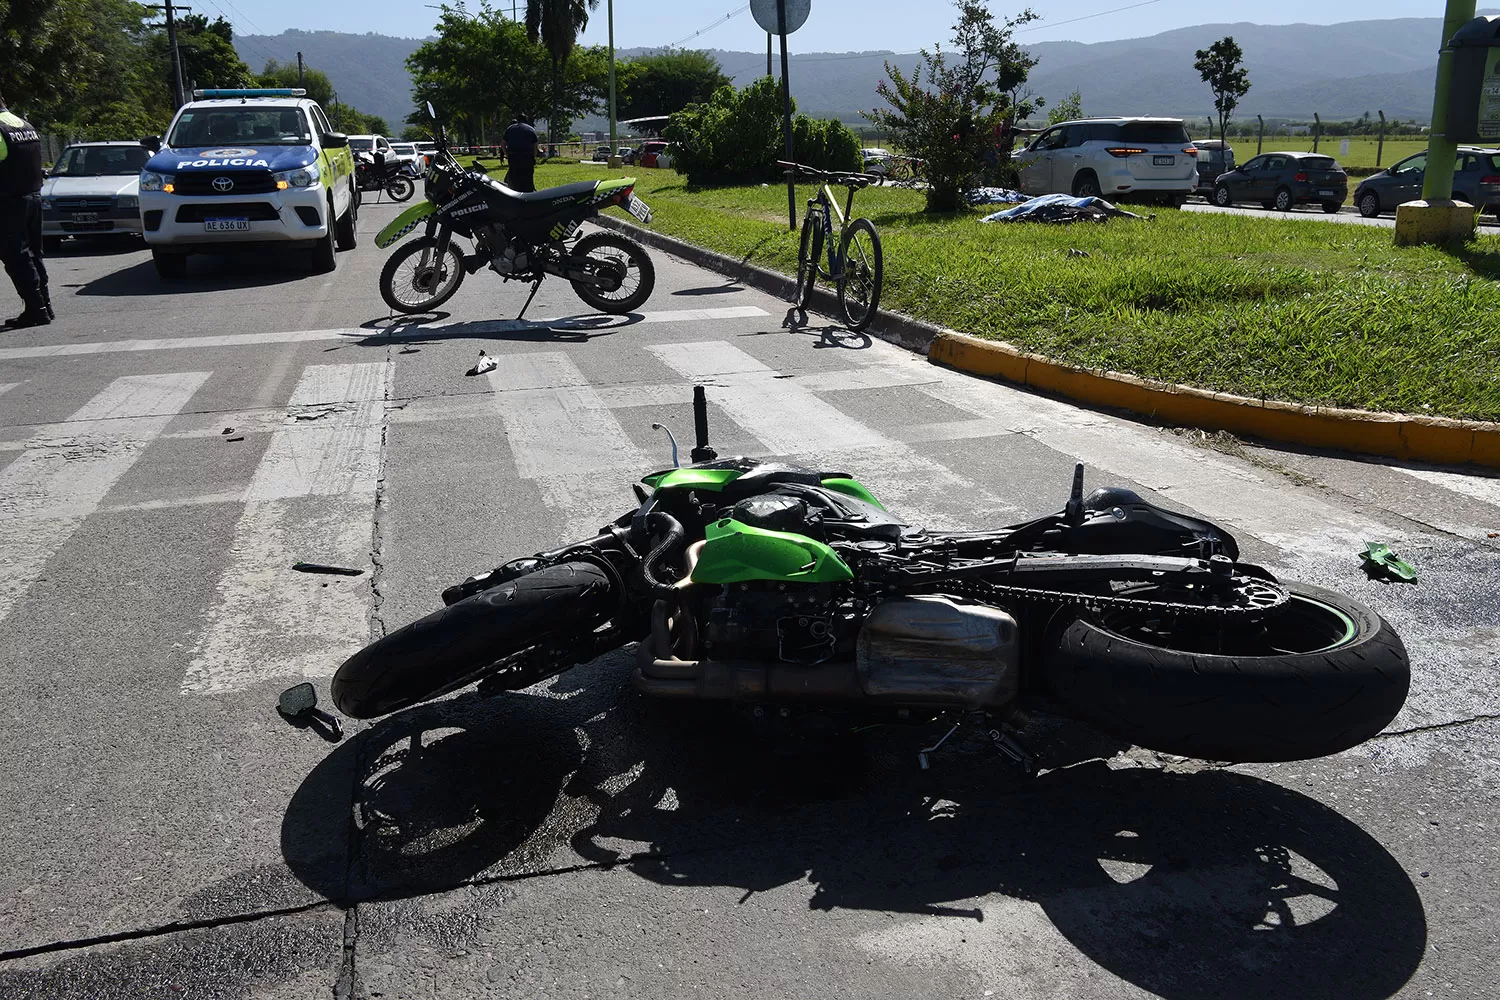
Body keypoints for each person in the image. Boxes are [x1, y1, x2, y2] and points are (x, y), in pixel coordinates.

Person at [0, 89, 50, 329]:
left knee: (16, 256)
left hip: (9, 201)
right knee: (33, 253)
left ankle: (36, 309)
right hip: (33, 197)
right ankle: (46, 305)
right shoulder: (24, 125)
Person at [502, 113, 538, 192]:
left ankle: (515, 194)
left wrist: (507, 155)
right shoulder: (531, 129)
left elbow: (503, 144)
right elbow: (535, 146)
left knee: (514, 178)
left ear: (517, 120)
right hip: (527, 157)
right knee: (527, 178)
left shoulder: (510, 129)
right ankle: (529, 194)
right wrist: (533, 157)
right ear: (526, 120)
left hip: (513, 157)